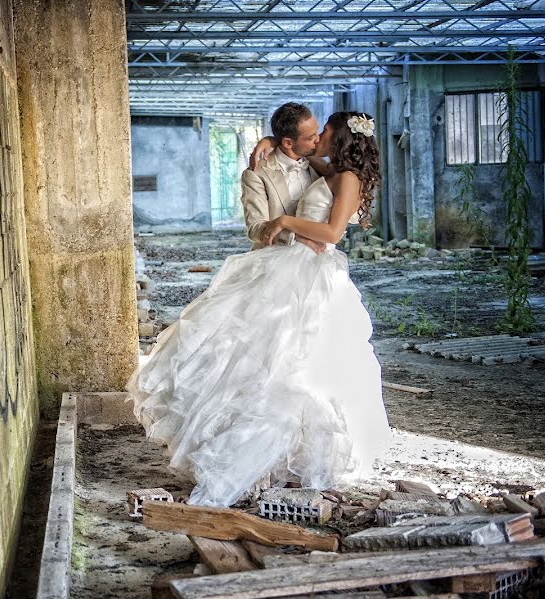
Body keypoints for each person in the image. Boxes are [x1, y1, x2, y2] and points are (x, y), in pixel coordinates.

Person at [126, 111, 391, 508]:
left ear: (337, 140)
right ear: (292, 143)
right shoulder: (323, 167)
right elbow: (266, 215)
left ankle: (290, 458)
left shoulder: (344, 176)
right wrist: (268, 142)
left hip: (309, 273)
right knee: (244, 357)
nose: (317, 139)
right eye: (311, 135)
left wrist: (285, 220)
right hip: (281, 266)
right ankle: (247, 452)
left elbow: (334, 232)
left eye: (323, 133)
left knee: (297, 366)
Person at [241, 102, 329, 255]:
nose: (317, 140)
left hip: (319, 258)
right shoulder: (256, 173)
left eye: (317, 132)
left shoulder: (321, 166)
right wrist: (298, 237)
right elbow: (255, 228)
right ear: (288, 142)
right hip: (274, 260)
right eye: (310, 137)